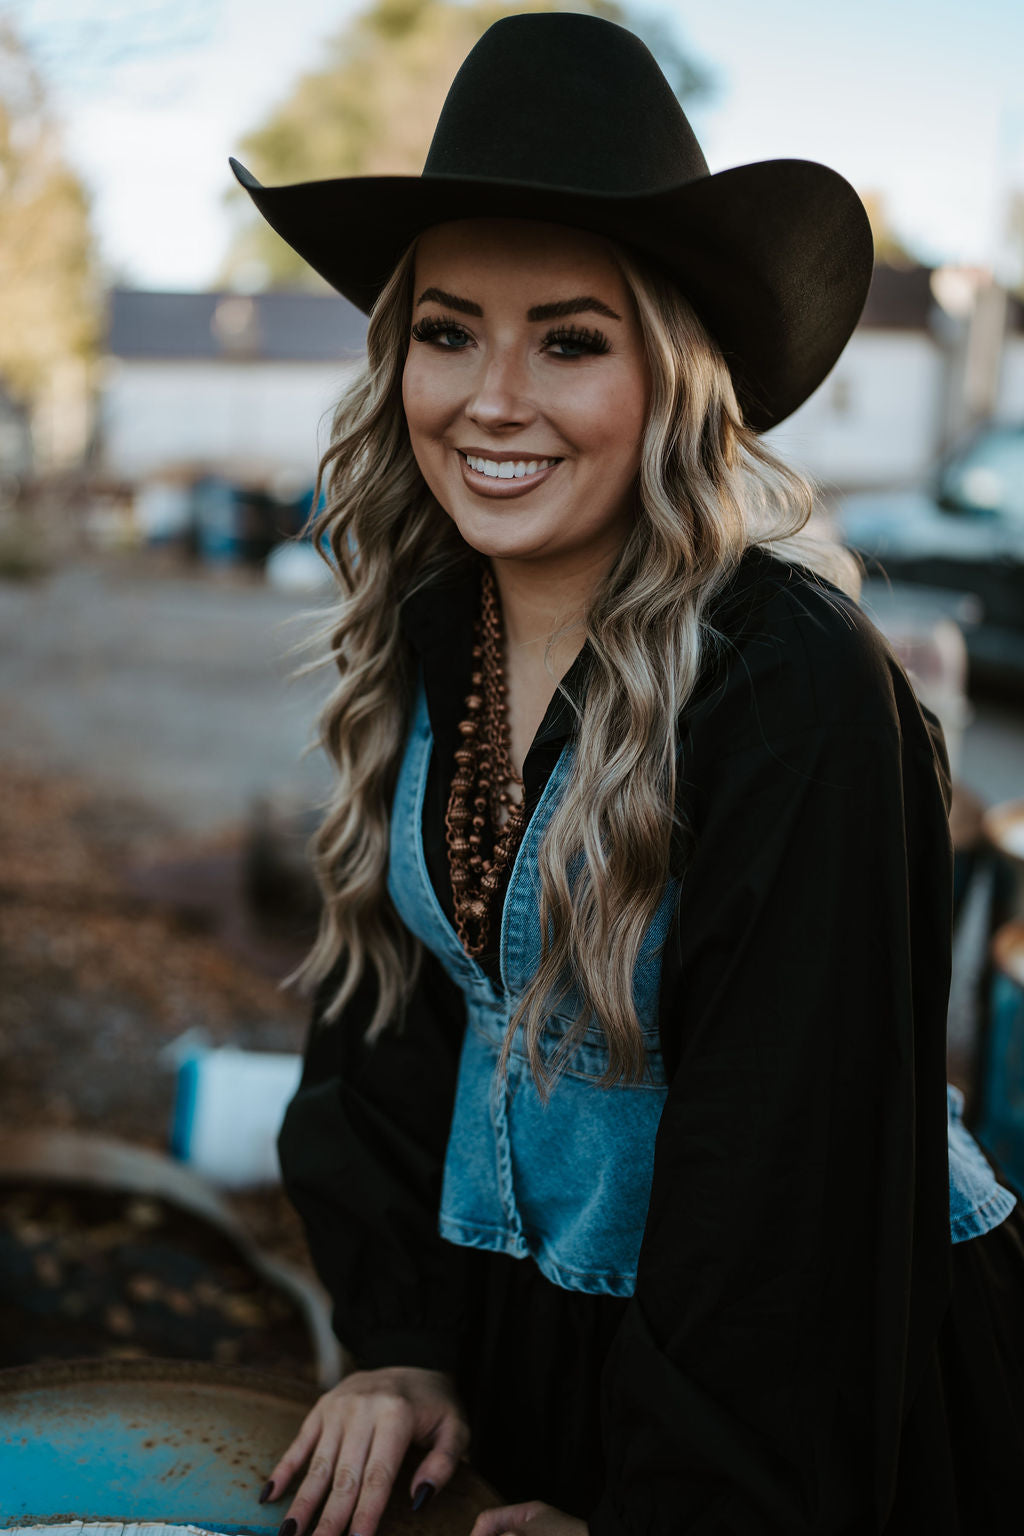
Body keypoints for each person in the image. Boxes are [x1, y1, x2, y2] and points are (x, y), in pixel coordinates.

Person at [230, 13, 1024, 1535]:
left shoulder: (793, 689)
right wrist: (402, 1351)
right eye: (450, 331)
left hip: (802, 1417)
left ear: (673, 377)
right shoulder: (429, 629)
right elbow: (384, 1034)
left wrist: (682, 1506)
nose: (492, 398)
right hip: (538, 1359)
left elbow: (787, 1182)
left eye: (571, 340)